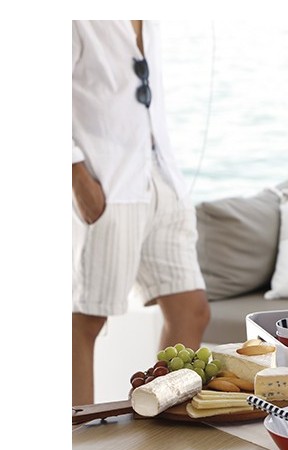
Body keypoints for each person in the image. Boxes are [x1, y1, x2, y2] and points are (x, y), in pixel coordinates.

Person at [72, 20, 210, 405]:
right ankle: (72, 437)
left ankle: (158, 420)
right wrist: (77, 177)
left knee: (191, 310)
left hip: (160, 177)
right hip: (106, 181)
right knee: (85, 320)